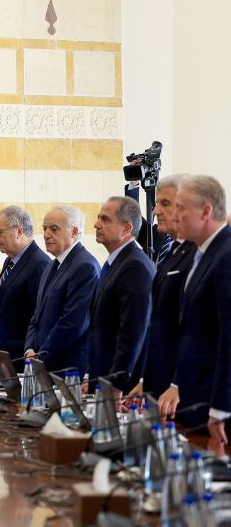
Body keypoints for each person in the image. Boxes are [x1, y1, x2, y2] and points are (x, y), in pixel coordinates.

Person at [167, 175, 231, 442]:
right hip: (194, 396)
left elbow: (227, 336)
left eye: (181, 208)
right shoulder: (201, 252)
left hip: (213, 402)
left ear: (206, 211)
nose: (174, 215)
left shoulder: (226, 254)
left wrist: (221, 406)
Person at [127, 175, 196, 405]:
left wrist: (179, 382)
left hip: (185, 394)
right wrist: (147, 380)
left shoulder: (200, 256)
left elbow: (197, 333)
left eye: (164, 204)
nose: (155, 211)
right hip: (160, 388)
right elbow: (159, 330)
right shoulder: (173, 253)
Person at [86, 196, 155, 393]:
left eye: (105, 219)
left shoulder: (135, 266)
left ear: (126, 229)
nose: (96, 224)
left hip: (122, 389)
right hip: (103, 378)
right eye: (99, 217)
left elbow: (132, 333)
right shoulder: (114, 262)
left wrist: (116, 384)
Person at [25, 206, 99, 374]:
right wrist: (29, 349)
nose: (45, 234)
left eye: (54, 228)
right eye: (44, 228)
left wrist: (41, 356)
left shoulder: (85, 266)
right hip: (43, 366)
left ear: (74, 232)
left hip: (67, 370)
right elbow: (37, 316)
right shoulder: (52, 265)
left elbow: (72, 323)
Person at [0, 206, 50, 369]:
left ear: (19, 231)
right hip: (3, 357)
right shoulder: (10, 261)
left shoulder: (40, 264)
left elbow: (37, 318)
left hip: (21, 361)